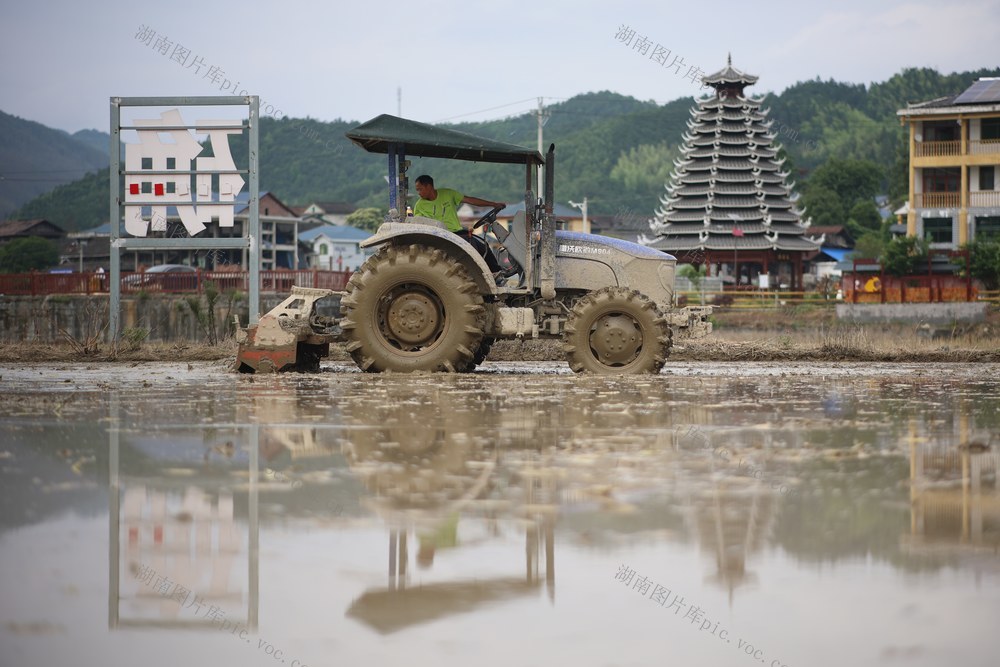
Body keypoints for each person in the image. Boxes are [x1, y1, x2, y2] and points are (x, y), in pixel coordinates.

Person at [413, 174, 505, 273]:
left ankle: (496, 273)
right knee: (472, 245)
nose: (419, 193)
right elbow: (419, 224)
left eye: (420, 189)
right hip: (439, 236)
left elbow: (470, 200)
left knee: (483, 245)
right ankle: (477, 274)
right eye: (417, 190)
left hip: (457, 233)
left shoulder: (448, 194)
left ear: (429, 186)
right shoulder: (419, 205)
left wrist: (493, 204)